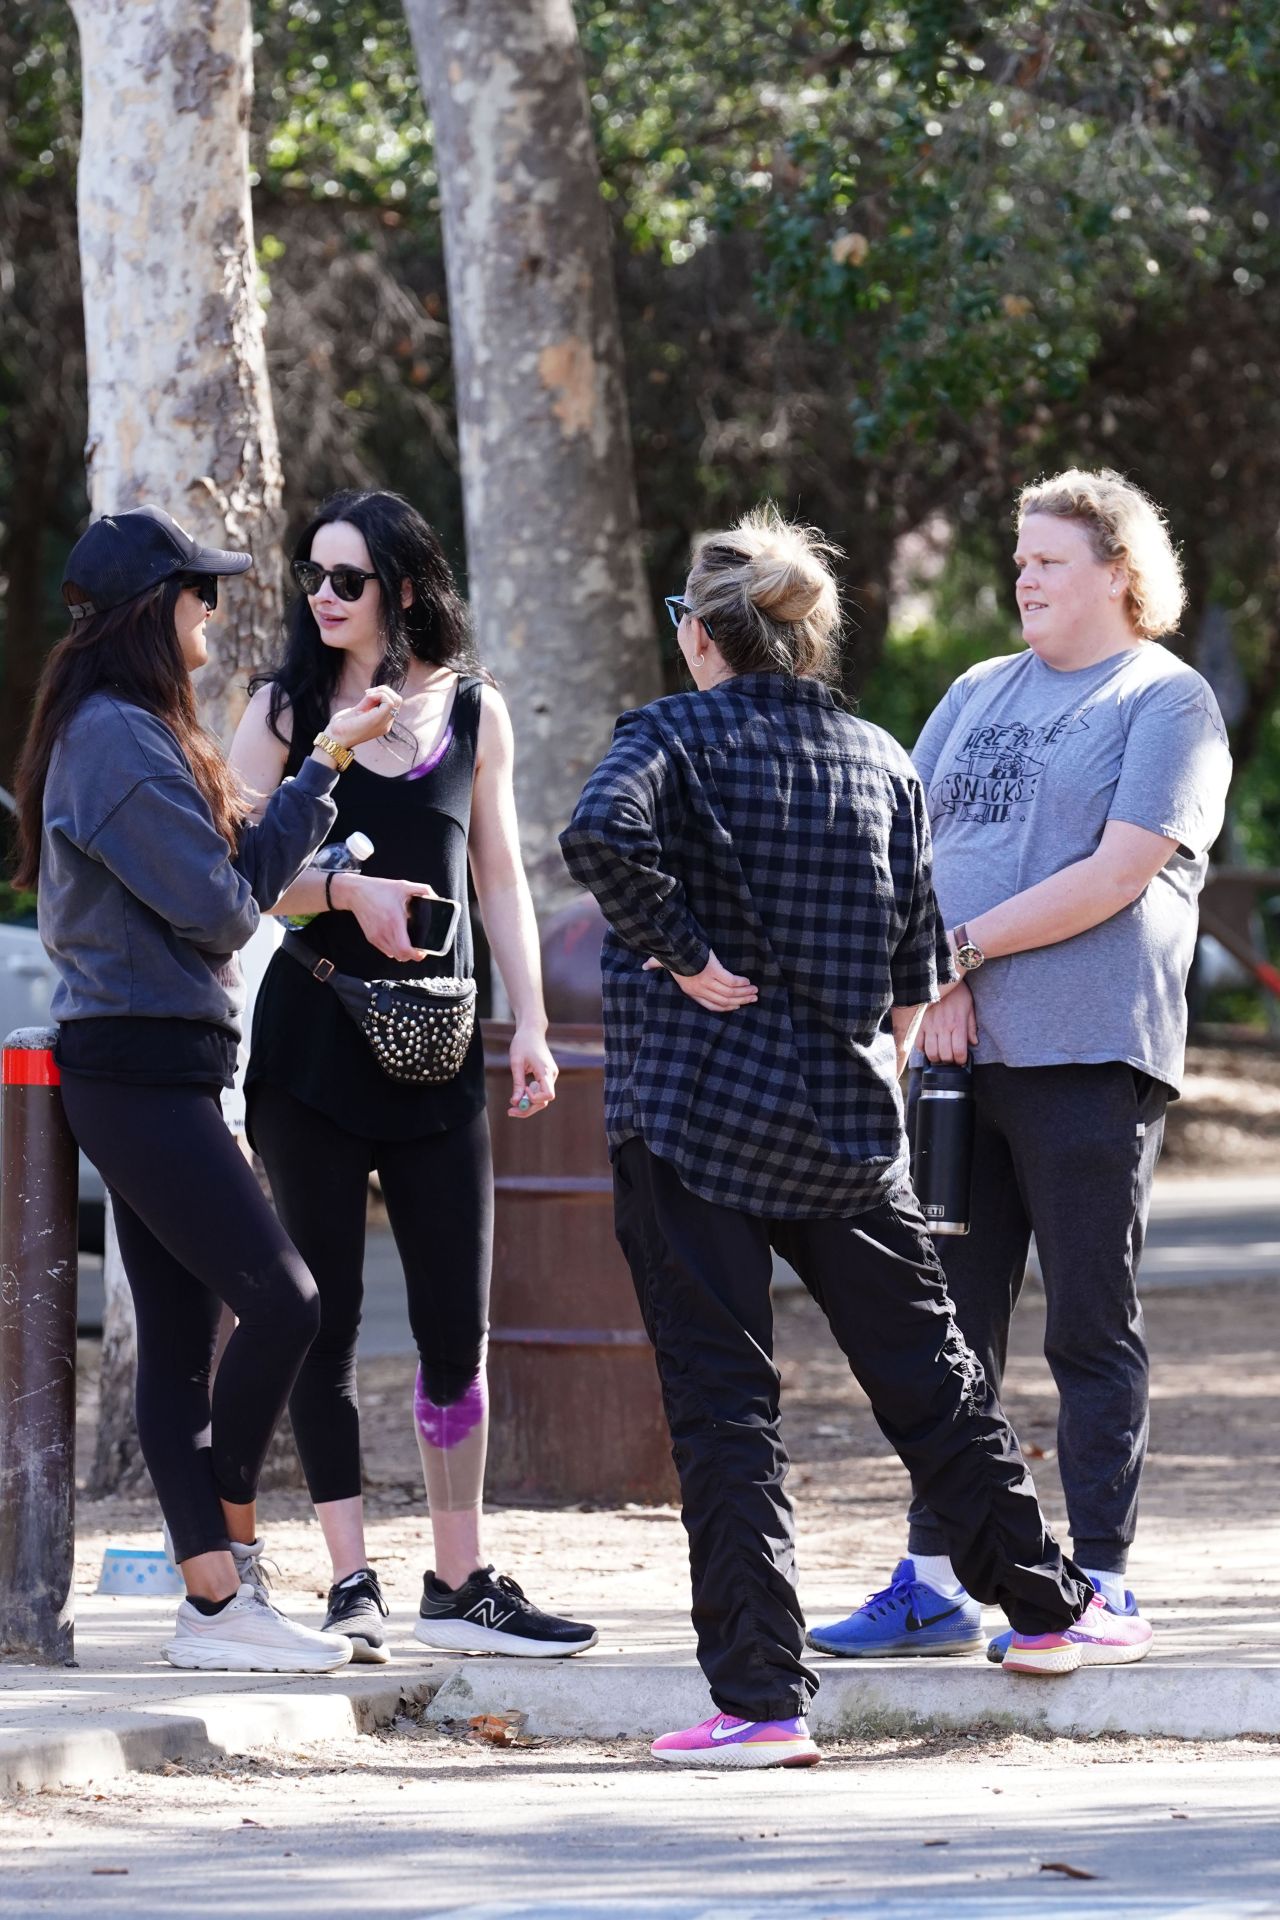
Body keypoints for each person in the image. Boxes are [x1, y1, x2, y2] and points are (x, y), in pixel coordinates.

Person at [560, 506, 1128, 1773]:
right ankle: (1045, 1610)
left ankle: (762, 1701)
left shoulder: (666, 733)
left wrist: (688, 954)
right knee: (930, 1377)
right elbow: (914, 972)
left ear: (704, 636)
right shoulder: (878, 756)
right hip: (841, 1123)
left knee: (724, 1408)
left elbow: (598, 832)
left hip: (691, 1117)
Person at [811, 469, 1232, 1666]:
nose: (1022, 577)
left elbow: (1118, 872)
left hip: (1087, 1053)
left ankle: (1097, 1582)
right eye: (1017, 557)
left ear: (1116, 571)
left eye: (1048, 559)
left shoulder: (1166, 700)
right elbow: (903, 838)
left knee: (1088, 1326)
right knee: (944, 1328)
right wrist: (922, 988)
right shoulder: (975, 690)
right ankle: (936, 1578)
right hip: (952, 1055)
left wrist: (954, 956)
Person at [13, 504, 402, 1672]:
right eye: (199, 592)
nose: (214, 610)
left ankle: (217, 1608)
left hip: (167, 1064)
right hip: (134, 1072)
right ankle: (226, 1544)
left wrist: (320, 788)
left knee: (185, 1346)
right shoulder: (111, 742)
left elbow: (240, 874)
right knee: (287, 1298)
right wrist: (325, 762)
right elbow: (228, 905)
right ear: (151, 610)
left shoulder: (135, 730)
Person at [228, 489, 597, 1662]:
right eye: (312, 576)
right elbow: (232, 874)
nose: (321, 597)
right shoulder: (285, 709)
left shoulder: (473, 711)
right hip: (312, 1049)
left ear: (400, 585)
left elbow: (497, 874)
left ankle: (458, 1577)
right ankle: (351, 1580)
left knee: (455, 1326)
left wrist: (528, 1021)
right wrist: (343, 890)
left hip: (439, 1051)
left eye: (346, 578)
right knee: (323, 1323)